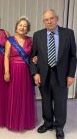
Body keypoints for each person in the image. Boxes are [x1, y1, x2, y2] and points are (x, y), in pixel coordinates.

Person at [30, 9, 77, 139]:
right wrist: (35, 73)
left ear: (57, 18)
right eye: (46, 19)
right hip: (44, 73)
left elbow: (73, 56)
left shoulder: (68, 33)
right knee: (45, 100)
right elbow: (33, 56)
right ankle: (48, 123)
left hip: (61, 74)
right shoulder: (38, 35)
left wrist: (71, 75)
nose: (49, 21)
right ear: (43, 21)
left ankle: (59, 126)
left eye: (51, 18)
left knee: (60, 101)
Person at [4, 17, 36, 131]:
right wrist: (6, 72)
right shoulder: (10, 40)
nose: (22, 27)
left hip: (26, 71)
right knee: (14, 95)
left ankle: (25, 121)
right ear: (16, 27)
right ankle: (13, 121)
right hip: (13, 70)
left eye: (25, 26)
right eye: (20, 25)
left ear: (27, 29)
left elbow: (34, 55)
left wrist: (35, 58)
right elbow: (6, 56)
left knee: (25, 95)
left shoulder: (31, 40)